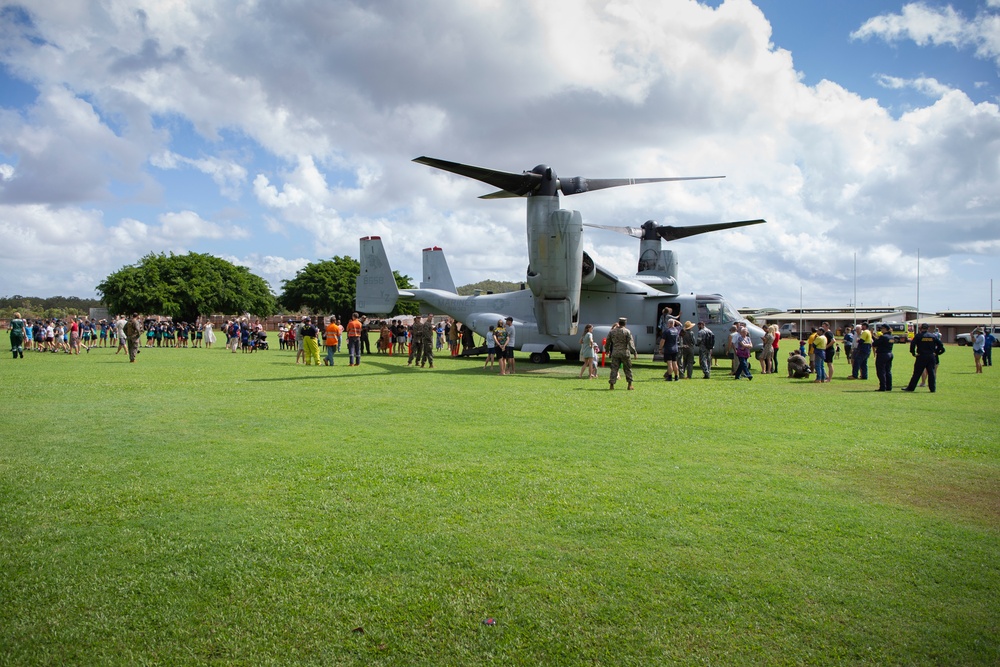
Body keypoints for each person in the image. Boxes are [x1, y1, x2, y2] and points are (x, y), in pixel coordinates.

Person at [902, 323, 945, 392]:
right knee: (931, 373)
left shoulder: (918, 336)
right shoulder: (933, 336)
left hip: (921, 356)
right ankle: (932, 389)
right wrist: (936, 353)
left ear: (920, 328)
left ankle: (911, 388)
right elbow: (941, 347)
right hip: (931, 356)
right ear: (928, 328)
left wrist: (913, 353)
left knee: (917, 373)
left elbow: (912, 345)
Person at [606, 317, 637, 390]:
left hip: (615, 352)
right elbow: (630, 343)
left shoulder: (612, 332)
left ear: (619, 323)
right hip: (625, 352)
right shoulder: (627, 331)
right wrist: (634, 352)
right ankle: (629, 385)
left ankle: (612, 385)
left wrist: (607, 350)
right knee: (627, 369)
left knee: (614, 369)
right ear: (625, 323)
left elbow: (608, 342)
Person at [873, 323, 895, 391]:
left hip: (882, 354)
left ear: (885, 329)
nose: (881, 329)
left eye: (882, 328)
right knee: (888, 371)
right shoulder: (891, 337)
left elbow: (874, 344)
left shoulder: (883, 337)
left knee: (881, 371)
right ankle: (889, 386)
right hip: (890, 354)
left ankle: (882, 387)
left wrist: (875, 338)